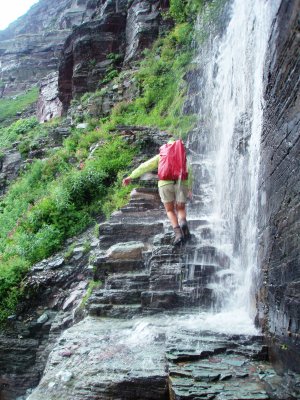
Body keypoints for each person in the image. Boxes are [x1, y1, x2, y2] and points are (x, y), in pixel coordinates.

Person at [122, 139, 192, 245]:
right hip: (180, 183)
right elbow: (188, 172)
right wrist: (189, 188)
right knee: (180, 208)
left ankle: (178, 233)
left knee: (170, 210)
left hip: (164, 184)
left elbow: (145, 166)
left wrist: (131, 176)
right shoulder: (182, 156)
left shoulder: (162, 155)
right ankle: (183, 222)